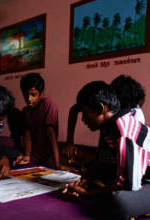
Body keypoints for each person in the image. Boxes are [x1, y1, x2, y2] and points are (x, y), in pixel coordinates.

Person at [63, 81, 150, 220]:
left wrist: (86, 195)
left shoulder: (123, 130)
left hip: (141, 181)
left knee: (119, 203)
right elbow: (103, 161)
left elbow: (129, 184)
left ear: (99, 109)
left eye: (84, 112)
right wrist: (82, 182)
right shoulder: (109, 128)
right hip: (139, 179)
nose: (83, 119)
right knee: (95, 183)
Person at [61, 74, 146, 165]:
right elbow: (74, 109)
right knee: (61, 148)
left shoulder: (132, 121)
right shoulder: (106, 102)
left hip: (120, 157)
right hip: (106, 152)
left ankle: (95, 164)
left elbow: (127, 163)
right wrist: (69, 142)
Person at [13, 73, 76, 171]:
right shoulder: (25, 110)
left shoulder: (48, 103)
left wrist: (57, 163)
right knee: (13, 111)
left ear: (41, 93)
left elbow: (51, 132)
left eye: (33, 95)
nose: (29, 99)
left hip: (43, 153)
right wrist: (27, 155)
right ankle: (18, 150)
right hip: (29, 152)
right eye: (26, 95)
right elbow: (27, 135)